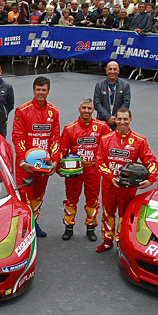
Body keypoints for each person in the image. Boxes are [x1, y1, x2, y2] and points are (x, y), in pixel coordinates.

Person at [95, 107, 157, 253]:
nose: (122, 122)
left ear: (130, 120)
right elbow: (99, 162)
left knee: (125, 215)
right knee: (107, 213)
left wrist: (151, 179)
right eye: (119, 119)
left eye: (125, 119)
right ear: (115, 120)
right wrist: (110, 177)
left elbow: (152, 162)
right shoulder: (105, 139)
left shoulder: (139, 141)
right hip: (110, 185)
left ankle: (121, 242)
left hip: (128, 188)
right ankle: (107, 240)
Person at [12, 76, 62, 238]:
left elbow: (55, 138)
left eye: (44, 90)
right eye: (38, 90)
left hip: (44, 163)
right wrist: (21, 160)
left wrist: (56, 160)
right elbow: (17, 137)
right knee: (25, 194)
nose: (41, 93)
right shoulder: (23, 110)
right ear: (34, 90)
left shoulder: (54, 112)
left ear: (48, 91)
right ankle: (24, 227)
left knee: (39, 194)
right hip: (25, 164)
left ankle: (34, 222)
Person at [60, 98, 108, 241]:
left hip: (93, 171)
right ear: (79, 109)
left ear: (93, 110)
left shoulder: (102, 127)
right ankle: (68, 227)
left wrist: (101, 164)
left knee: (92, 200)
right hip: (74, 172)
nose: (86, 111)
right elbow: (62, 150)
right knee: (71, 199)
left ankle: (91, 227)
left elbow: (107, 147)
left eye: (89, 108)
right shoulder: (70, 128)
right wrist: (62, 166)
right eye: (84, 108)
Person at [92, 60, 130, 129]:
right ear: (106, 70)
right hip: (102, 121)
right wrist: (107, 117)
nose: (112, 72)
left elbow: (126, 103)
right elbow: (97, 103)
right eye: (110, 69)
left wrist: (116, 117)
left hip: (119, 122)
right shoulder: (99, 85)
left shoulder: (125, 85)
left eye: (115, 69)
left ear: (118, 71)